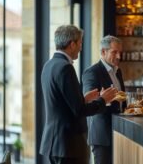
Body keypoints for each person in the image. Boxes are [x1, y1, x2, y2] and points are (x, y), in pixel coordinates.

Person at [39, 25, 117, 164]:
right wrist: (103, 99)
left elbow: (61, 103)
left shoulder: (49, 65)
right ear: (72, 44)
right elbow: (79, 110)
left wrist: (84, 99)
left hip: (53, 143)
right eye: (80, 43)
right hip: (68, 145)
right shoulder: (65, 68)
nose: (81, 48)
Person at [82, 35, 126, 164]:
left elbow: (121, 97)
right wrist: (102, 97)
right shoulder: (91, 72)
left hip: (118, 132)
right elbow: (90, 100)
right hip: (102, 135)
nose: (118, 56)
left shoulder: (118, 71)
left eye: (120, 52)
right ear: (103, 52)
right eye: (114, 52)